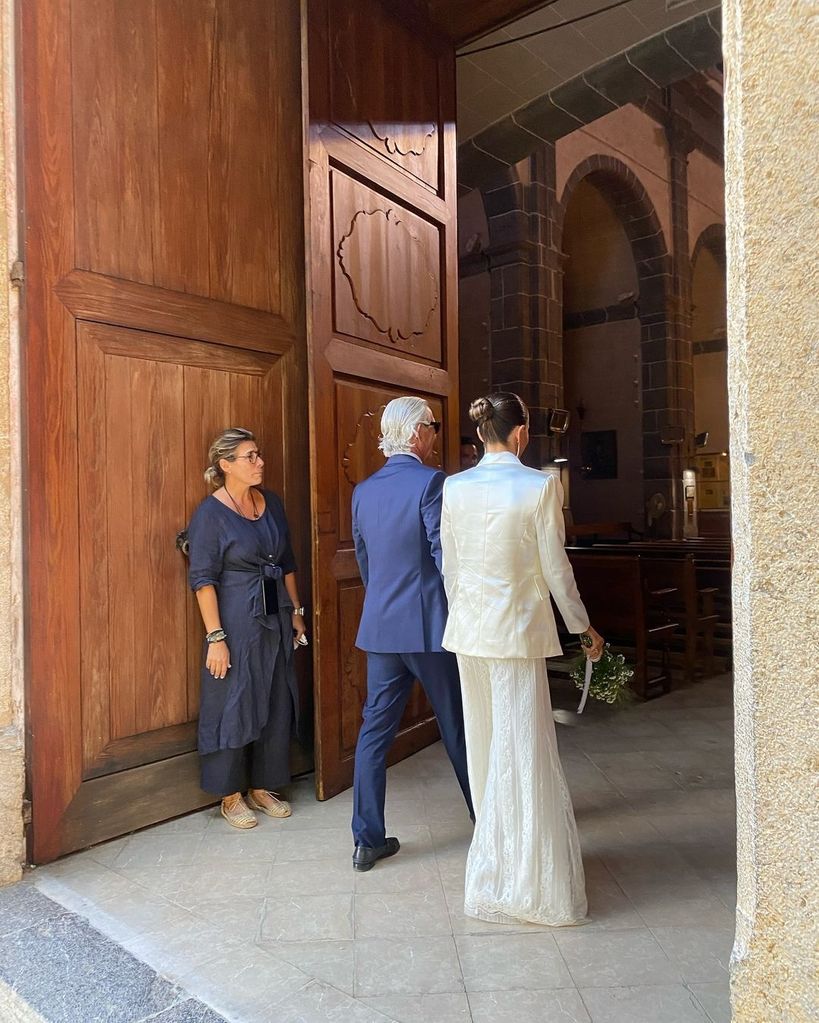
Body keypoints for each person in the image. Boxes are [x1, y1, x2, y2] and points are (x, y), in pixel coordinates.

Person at [440, 392, 604, 926]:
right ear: (521, 433)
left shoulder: (455, 487)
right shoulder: (539, 486)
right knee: (524, 745)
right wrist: (583, 626)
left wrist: (466, 616)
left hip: (470, 633)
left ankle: (496, 867)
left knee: (487, 746)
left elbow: (452, 569)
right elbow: (557, 570)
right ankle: (529, 877)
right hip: (515, 633)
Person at [351, 397, 474, 871]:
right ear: (418, 432)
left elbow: (365, 561)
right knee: (457, 726)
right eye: (434, 426)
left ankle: (366, 840)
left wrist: (385, 603)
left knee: (373, 734)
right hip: (429, 628)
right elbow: (444, 556)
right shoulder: (431, 482)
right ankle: (484, 820)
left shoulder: (362, 490)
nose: (437, 435)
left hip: (381, 629)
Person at [187, 428, 307, 829]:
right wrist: (216, 638)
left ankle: (264, 785)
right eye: (250, 457)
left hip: (275, 615)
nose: (259, 463)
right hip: (236, 620)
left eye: (258, 455)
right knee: (233, 699)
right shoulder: (209, 514)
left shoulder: (270, 502)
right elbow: (203, 580)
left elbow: (287, 561)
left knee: (275, 696)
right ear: (225, 465)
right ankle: (230, 792)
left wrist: (295, 610)